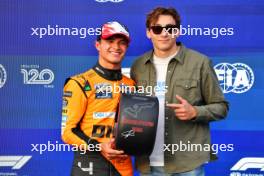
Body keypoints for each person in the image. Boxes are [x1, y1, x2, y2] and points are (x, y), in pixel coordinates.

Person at [130, 7, 229, 176]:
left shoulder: (200, 63)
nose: (164, 33)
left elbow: (222, 107)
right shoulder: (138, 66)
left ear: (178, 31)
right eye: (157, 28)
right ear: (149, 33)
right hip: (149, 164)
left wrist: (195, 112)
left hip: (187, 164)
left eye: (170, 28)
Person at [61, 21, 134, 176]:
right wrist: (99, 146)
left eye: (122, 43)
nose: (116, 47)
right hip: (89, 165)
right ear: (98, 45)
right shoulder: (79, 83)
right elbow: (67, 132)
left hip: (123, 168)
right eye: (110, 41)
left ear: (126, 48)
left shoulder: (131, 85)